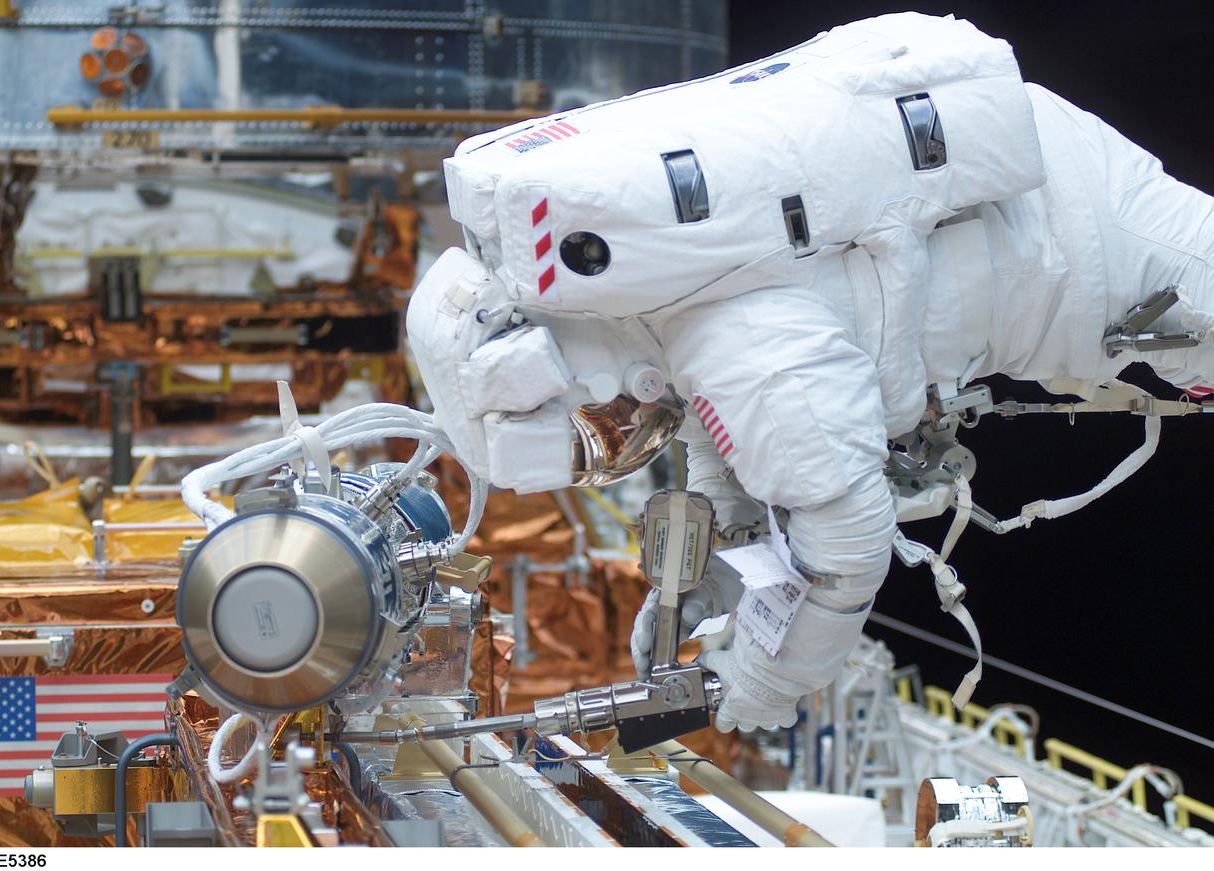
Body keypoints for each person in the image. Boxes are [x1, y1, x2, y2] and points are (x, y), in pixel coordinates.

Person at [405, 12, 1214, 733]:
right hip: (1058, 233)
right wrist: (708, 574)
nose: (614, 452)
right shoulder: (656, 307)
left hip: (1087, 239)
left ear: (574, 370)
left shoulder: (719, 343)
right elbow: (725, 432)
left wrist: (762, 684)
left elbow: (850, 544)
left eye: (591, 441)